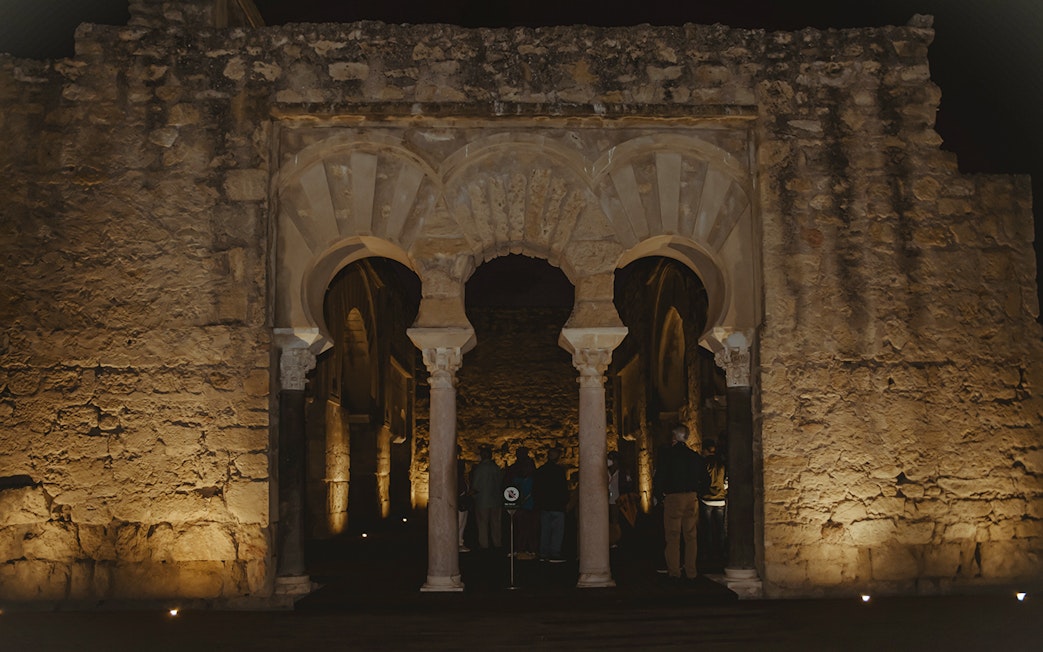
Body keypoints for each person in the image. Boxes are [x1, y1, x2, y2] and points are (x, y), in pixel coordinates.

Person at [653, 424, 709, 581]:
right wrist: (698, 493)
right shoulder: (695, 456)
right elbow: (706, 479)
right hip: (691, 497)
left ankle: (674, 571)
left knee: (673, 536)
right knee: (691, 536)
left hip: (673, 497)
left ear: (673, 437)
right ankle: (691, 571)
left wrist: (660, 495)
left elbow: (660, 477)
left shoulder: (668, 456)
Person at [533, 447, 569, 562]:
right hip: (557, 505)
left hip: (545, 505)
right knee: (557, 531)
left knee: (545, 530)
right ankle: (554, 552)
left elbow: (536, 488)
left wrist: (539, 502)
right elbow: (563, 488)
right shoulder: (559, 471)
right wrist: (565, 501)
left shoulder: (541, 470)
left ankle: (544, 552)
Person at [504, 446, 538, 560]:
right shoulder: (518, 472)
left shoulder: (514, 471)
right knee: (523, 529)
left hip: (525, 505)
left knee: (524, 529)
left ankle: (524, 549)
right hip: (523, 505)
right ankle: (523, 550)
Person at [700, 438, 727, 571]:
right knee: (721, 528)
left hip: (707, 498)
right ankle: (721, 552)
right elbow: (727, 480)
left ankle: (709, 553)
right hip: (720, 498)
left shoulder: (704, 463)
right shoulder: (722, 463)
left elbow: (701, 480)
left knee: (708, 527)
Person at [470, 445, 504, 550]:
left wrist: (471, 495)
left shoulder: (480, 469)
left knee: (482, 523)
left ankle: (484, 544)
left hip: (483, 501)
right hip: (496, 501)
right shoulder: (496, 468)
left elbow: (476, 486)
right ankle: (497, 542)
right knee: (496, 523)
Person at [607, 451, 634, 548]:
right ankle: (611, 539)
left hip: (618, 500)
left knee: (618, 520)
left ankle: (618, 539)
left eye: (611, 459)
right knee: (609, 520)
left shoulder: (622, 473)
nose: (609, 461)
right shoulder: (605, 472)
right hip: (607, 501)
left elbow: (629, 485)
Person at [457, 445, 473, 552]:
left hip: (463, 501)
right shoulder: (457, 477)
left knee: (462, 523)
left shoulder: (463, 477)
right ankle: (457, 543)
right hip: (459, 502)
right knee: (459, 523)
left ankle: (459, 542)